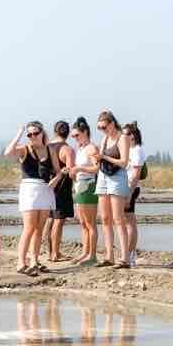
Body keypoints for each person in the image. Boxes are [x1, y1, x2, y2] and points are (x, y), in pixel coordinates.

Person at [4, 121, 62, 274]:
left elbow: (58, 170)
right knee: (29, 227)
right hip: (29, 189)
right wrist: (19, 134)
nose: (32, 136)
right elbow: (8, 152)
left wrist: (56, 179)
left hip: (45, 189)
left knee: (39, 229)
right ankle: (21, 262)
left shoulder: (50, 149)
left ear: (42, 133)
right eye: (29, 134)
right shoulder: (25, 149)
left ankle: (34, 260)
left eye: (35, 133)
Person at [94, 110, 132, 268]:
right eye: (99, 128)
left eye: (104, 126)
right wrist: (97, 158)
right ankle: (109, 255)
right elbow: (99, 160)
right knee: (105, 218)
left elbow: (124, 162)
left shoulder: (122, 138)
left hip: (117, 177)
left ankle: (124, 258)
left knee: (118, 218)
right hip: (103, 175)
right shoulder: (104, 138)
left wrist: (104, 157)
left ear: (112, 123)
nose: (102, 130)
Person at [68, 117, 100, 265]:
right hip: (79, 186)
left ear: (85, 132)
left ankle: (92, 255)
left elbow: (96, 168)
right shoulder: (80, 149)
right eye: (73, 136)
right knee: (82, 223)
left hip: (88, 186)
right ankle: (85, 252)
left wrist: (80, 168)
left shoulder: (92, 148)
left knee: (90, 222)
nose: (75, 138)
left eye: (77, 135)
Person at [46, 120, 75, 262]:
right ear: (68, 133)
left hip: (48, 186)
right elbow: (70, 171)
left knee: (50, 219)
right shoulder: (67, 149)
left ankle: (51, 252)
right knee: (59, 220)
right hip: (62, 187)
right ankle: (55, 253)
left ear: (54, 131)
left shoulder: (47, 147)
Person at [123, 121, 146, 268]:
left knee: (130, 221)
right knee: (125, 221)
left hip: (131, 188)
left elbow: (136, 174)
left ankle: (130, 254)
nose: (123, 137)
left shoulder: (137, 150)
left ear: (133, 135)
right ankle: (128, 252)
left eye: (125, 134)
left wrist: (130, 193)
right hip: (123, 187)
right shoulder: (127, 149)